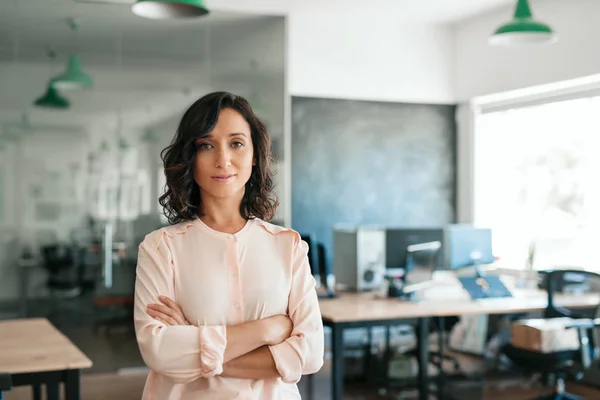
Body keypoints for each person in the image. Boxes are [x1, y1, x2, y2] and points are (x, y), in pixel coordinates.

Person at [134, 91, 324, 399]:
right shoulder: (160, 248)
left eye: (236, 143)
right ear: (190, 158)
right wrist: (269, 330)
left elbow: (311, 353)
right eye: (206, 145)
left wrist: (194, 343)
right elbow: (159, 353)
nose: (223, 160)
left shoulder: (287, 246)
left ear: (254, 156)